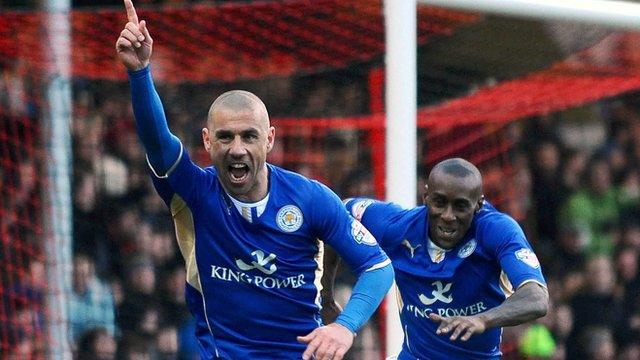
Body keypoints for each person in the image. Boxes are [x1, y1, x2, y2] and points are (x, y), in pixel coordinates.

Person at [114, 1, 394, 359]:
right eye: (226, 137)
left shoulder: (310, 199)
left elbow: (377, 267)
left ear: (270, 139)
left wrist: (344, 326)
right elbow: (157, 142)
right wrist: (139, 73)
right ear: (207, 141)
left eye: (249, 136)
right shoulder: (194, 193)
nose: (237, 149)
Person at [340, 158, 548, 359]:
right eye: (440, 202)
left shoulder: (497, 230)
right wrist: (327, 292)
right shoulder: (396, 226)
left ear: (478, 204)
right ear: (426, 197)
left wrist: (483, 319)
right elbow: (337, 215)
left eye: (460, 206)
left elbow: (537, 298)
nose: (448, 216)